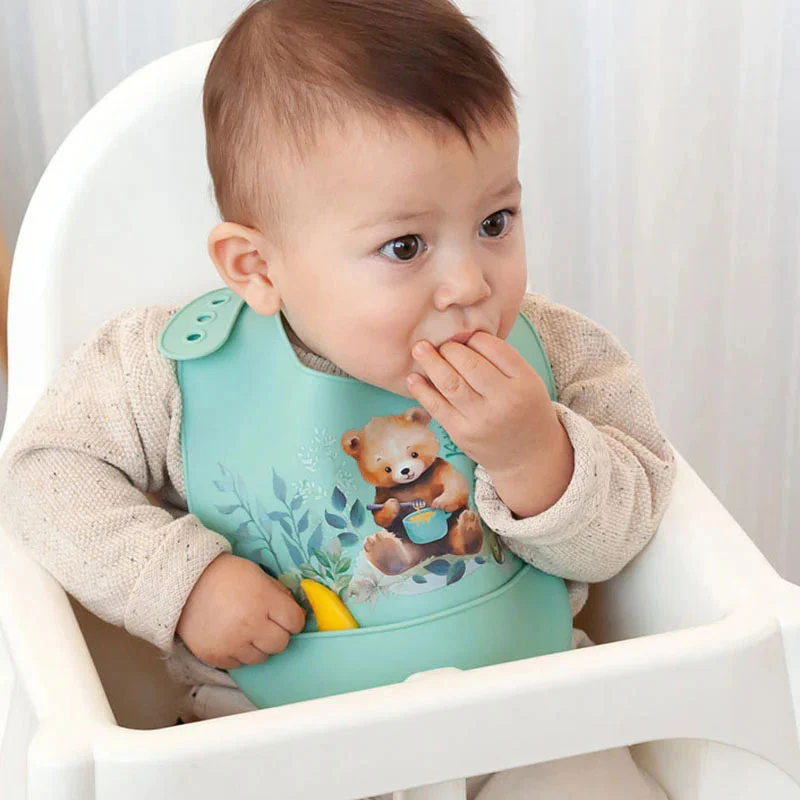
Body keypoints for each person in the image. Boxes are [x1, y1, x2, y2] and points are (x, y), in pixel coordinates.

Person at [0, 1, 674, 796]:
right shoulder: (171, 368)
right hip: (273, 748)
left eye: (496, 221)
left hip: (532, 722)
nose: (470, 284)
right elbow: (44, 473)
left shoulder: (553, 349)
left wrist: (537, 458)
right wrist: (182, 583)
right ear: (256, 268)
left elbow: (628, 532)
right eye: (405, 246)